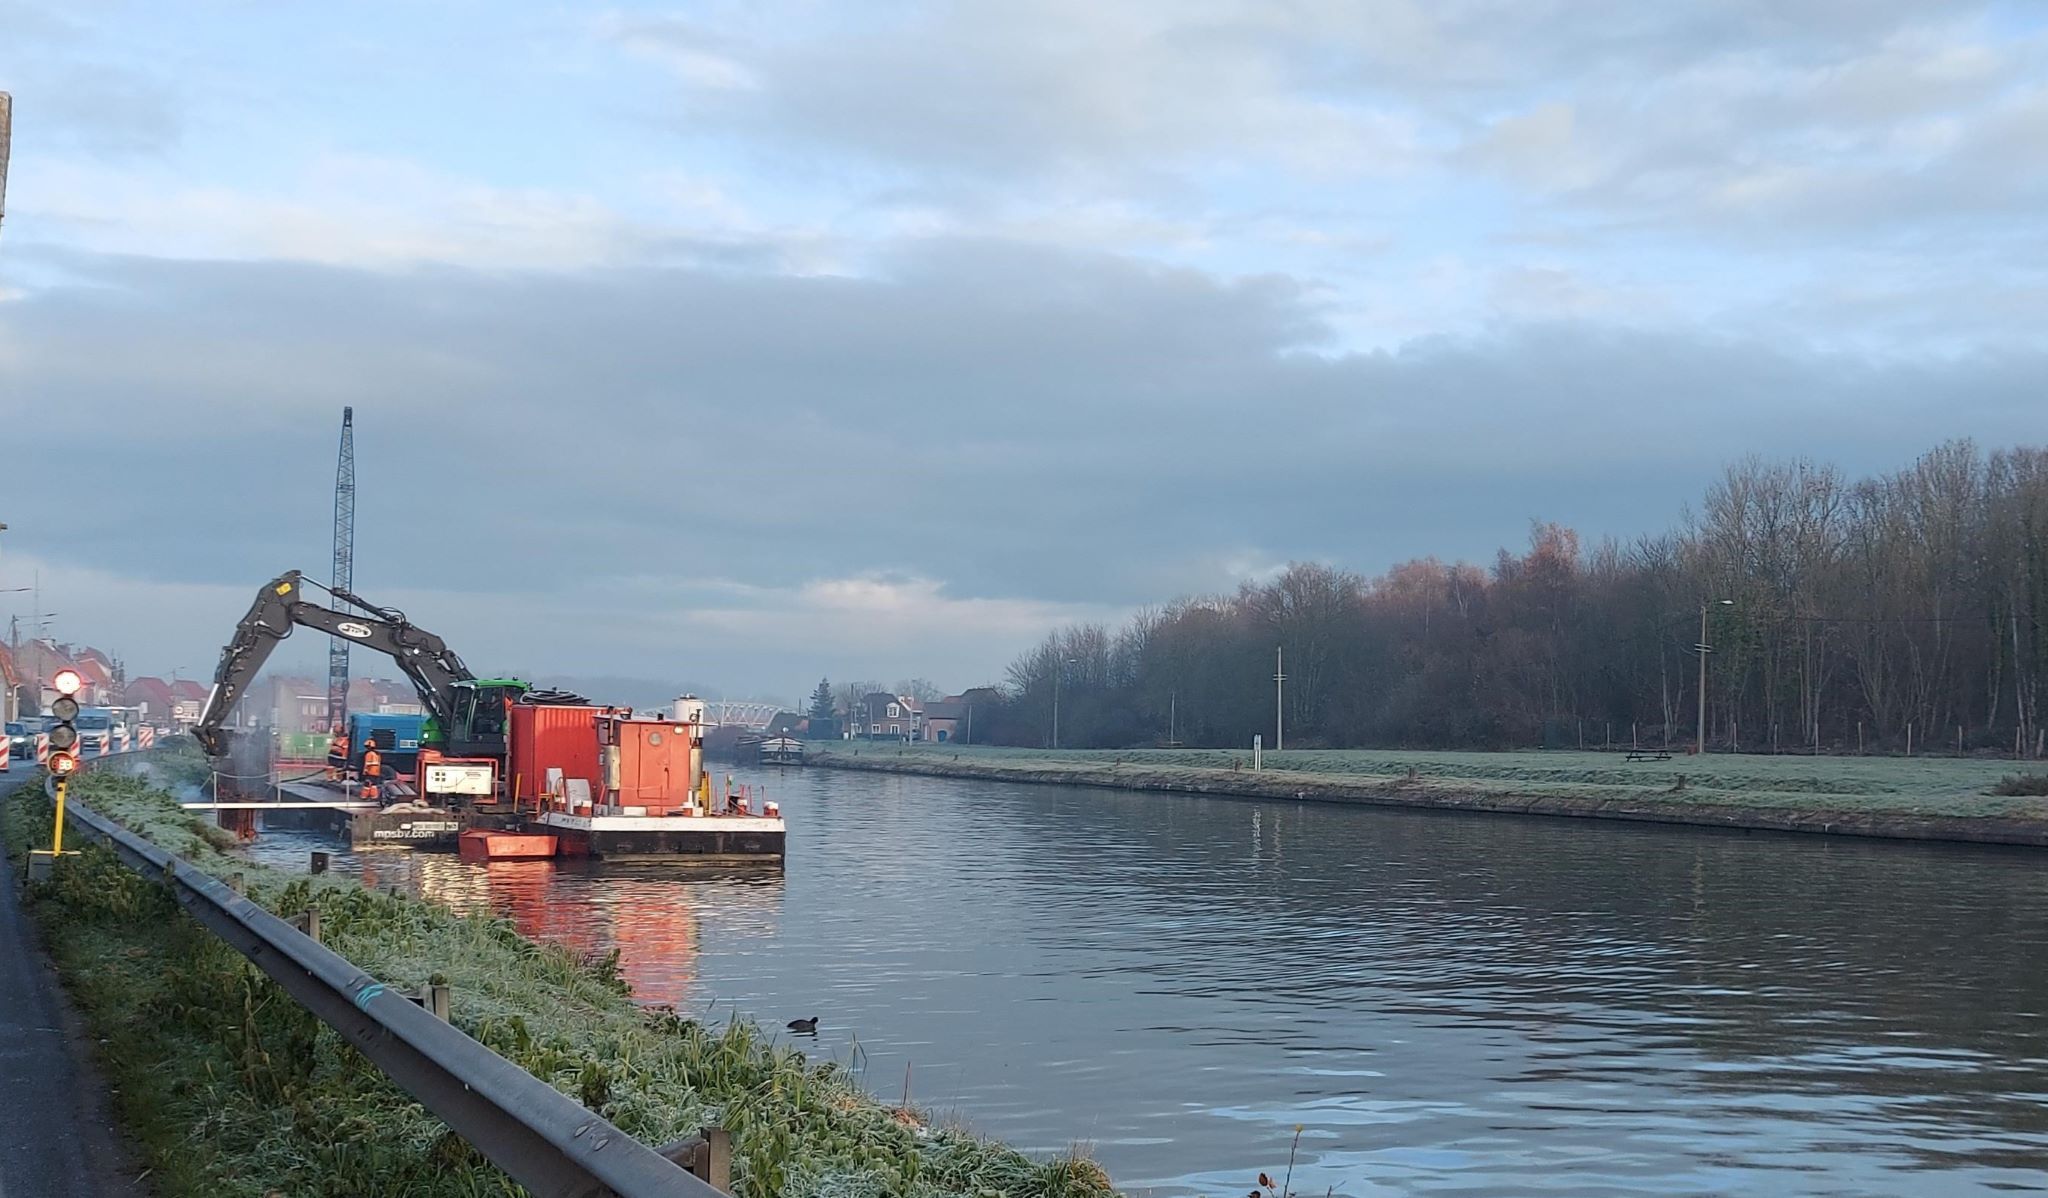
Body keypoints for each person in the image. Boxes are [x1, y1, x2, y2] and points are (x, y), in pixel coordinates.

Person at [360, 739, 384, 804]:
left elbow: (367, 764)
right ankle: (374, 796)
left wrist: (365, 771)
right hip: (376, 771)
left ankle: (364, 796)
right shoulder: (377, 754)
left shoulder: (369, 754)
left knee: (367, 784)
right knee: (374, 784)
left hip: (370, 771)